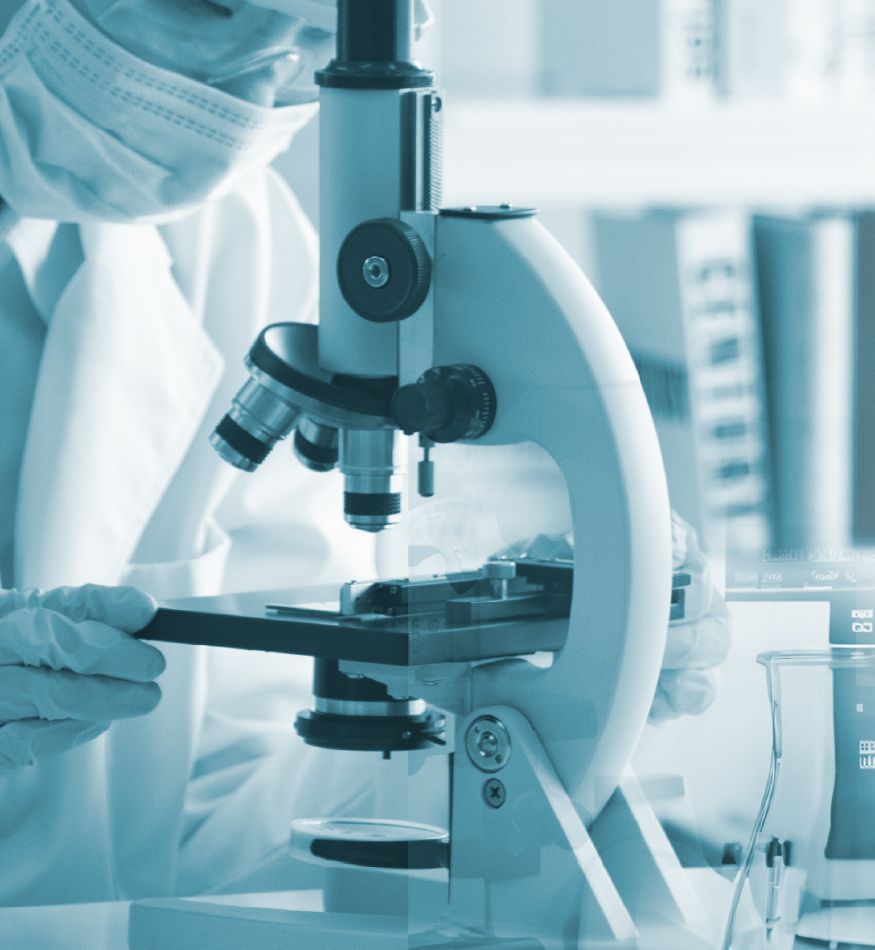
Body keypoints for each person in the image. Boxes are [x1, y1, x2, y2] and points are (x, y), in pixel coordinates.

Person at [0, 0, 725, 907]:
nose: (261, 85)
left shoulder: (233, 241)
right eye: (214, 9)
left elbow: (216, 814)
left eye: (314, 40)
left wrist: (525, 716)